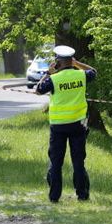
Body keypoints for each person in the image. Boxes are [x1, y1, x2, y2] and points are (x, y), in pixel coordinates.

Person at [35, 45, 97, 203]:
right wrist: (77, 64)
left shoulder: (54, 79)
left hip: (58, 126)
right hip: (78, 125)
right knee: (78, 162)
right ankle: (82, 195)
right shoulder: (82, 75)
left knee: (56, 163)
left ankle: (54, 196)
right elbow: (94, 71)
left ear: (57, 62)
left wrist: (48, 73)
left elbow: (38, 89)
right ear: (71, 61)